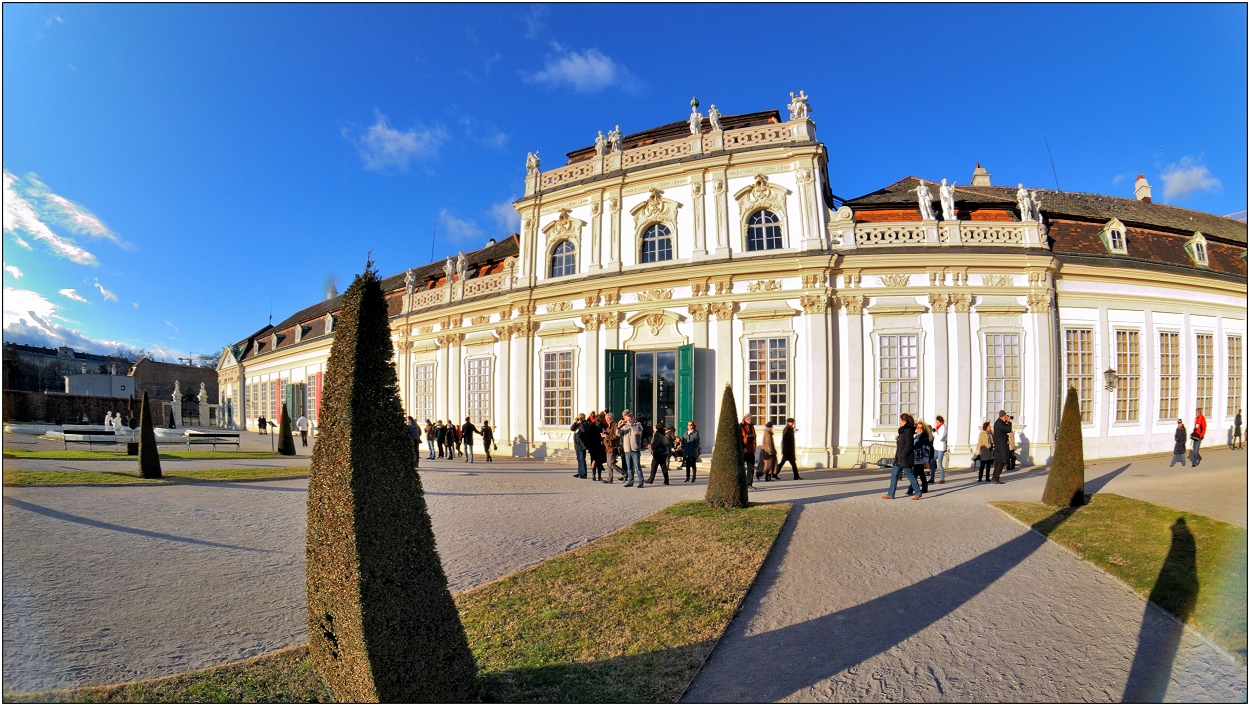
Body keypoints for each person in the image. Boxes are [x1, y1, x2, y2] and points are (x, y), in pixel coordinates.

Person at [883, 413, 922, 500]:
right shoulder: (902, 430)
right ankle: (890, 493)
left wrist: (903, 454)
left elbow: (909, 445)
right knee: (894, 474)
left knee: (910, 475)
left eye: (900, 420)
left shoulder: (908, 430)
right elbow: (902, 444)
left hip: (905, 458)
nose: (899, 422)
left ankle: (918, 492)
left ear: (904, 421)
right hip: (899, 457)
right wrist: (898, 440)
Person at [619, 410, 643, 487]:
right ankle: (630, 481)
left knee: (637, 467)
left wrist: (631, 425)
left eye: (630, 418)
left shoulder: (638, 425)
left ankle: (641, 482)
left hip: (635, 449)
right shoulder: (625, 426)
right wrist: (619, 426)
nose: (628, 420)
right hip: (627, 449)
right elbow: (617, 433)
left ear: (633, 418)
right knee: (629, 467)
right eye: (627, 418)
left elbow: (637, 432)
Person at [581, 412, 607, 481]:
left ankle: (598, 476)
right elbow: (590, 437)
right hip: (594, 446)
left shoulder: (602, 427)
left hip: (599, 446)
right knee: (594, 461)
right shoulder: (592, 427)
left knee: (599, 461)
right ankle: (594, 476)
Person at [909, 419, 932, 495]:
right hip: (915, 457)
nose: (919, 429)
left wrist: (925, 459)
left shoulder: (924, 437)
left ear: (923, 428)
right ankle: (924, 487)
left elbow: (926, 448)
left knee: (915, 474)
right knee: (921, 473)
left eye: (921, 428)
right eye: (918, 427)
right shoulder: (916, 436)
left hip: (920, 458)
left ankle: (911, 489)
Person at [647, 420, 672, 485]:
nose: (653, 428)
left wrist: (651, 447)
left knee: (654, 466)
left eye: (654, 427)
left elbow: (655, 443)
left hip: (658, 453)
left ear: (657, 428)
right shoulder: (663, 434)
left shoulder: (657, 435)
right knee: (663, 466)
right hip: (664, 452)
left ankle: (651, 479)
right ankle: (666, 480)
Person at [991, 410, 1012, 483]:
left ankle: (994, 478)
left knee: (999, 462)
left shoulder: (998, 423)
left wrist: (1006, 422)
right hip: (1001, 446)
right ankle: (996, 478)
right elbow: (1008, 429)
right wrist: (1009, 422)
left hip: (1000, 446)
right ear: (1003, 416)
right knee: (1001, 462)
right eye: (1006, 416)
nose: (1007, 417)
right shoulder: (999, 423)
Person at [740, 414, 757, 490]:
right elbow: (740, 438)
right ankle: (740, 484)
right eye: (750, 419)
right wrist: (743, 447)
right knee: (741, 468)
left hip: (750, 450)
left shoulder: (752, 427)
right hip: (744, 450)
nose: (751, 421)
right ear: (746, 419)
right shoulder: (741, 426)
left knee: (751, 468)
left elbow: (754, 437)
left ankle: (749, 484)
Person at [570, 413, 588, 478]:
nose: (579, 419)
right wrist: (575, 423)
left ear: (583, 418)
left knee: (582, 459)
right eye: (578, 417)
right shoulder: (577, 424)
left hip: (582, 444)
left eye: (580, 418)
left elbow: (583, 430)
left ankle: (583, 473)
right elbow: (572, 428)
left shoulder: (585, 424)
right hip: (577, 445)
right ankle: (580, 472)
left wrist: (581, 423)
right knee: (578, 459)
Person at [931, 415, 947, 484]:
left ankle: (942, 479)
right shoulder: (939, 427)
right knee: (932, 461)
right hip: (937, 447)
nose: (936, 423)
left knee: (940, 463)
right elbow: (936, 436)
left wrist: (934, 432)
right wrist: (934, 432)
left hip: (941, 448)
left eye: (937, 421)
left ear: (940, 421)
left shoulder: (943, 428)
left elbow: (940, 437)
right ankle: (932, 478)